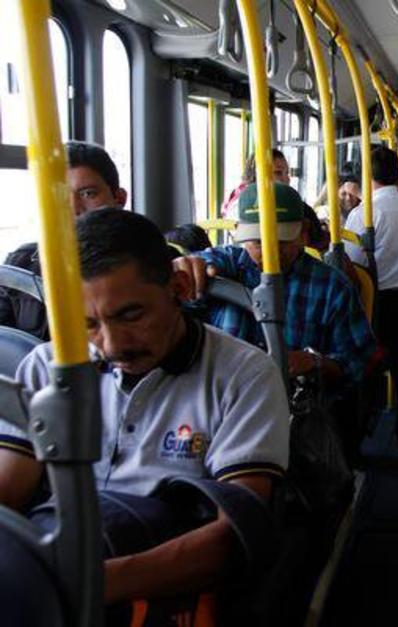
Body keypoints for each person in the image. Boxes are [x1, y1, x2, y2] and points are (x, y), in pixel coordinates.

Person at [0, 208, 289, 604]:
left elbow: (237, 531)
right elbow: (10, 487)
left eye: (131, 315)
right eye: (88, 325)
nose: (113, 344)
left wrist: (89, 586)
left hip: (169, 582)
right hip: (60, 561)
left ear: (180, 288)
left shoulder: (243, 375)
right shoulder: (47, 368)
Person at [176, 182, 376, 387]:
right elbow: (192, 271)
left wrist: (313, 362)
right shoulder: (224, 265)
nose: (271, 253)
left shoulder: (332, 287)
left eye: (282, 241)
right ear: (240, 234)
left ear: (303, 232)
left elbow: (357, 363)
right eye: (258, 242)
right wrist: (185, 271)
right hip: (221, 398)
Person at [0, 141, 128, 340]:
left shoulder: (149, 260)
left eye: (88, 194)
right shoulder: (22, 263)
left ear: (119, 199)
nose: (73, 208)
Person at [345, 146, 398, 456]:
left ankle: (358, 441)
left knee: (364, 370)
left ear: (368, 175)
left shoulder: (363, 214)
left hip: (377, 301)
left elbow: (350, 262)